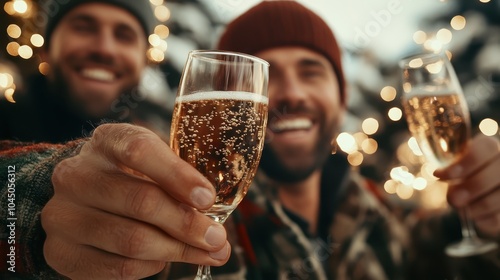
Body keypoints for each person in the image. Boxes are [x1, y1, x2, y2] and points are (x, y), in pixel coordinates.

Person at [1, 1, 500, 279]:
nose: (290, 93)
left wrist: (490, 217)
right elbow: (30, 197)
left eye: (311, 71)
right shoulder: (174, 213)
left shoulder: (387, 219)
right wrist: (37, 205)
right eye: (265, 76)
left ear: (339, 94)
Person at [0, 0, 170, 143]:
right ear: (46, 50)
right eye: (83, 28)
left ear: (144, 61)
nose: (105, 49)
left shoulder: (157, 152)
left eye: (124, 36)